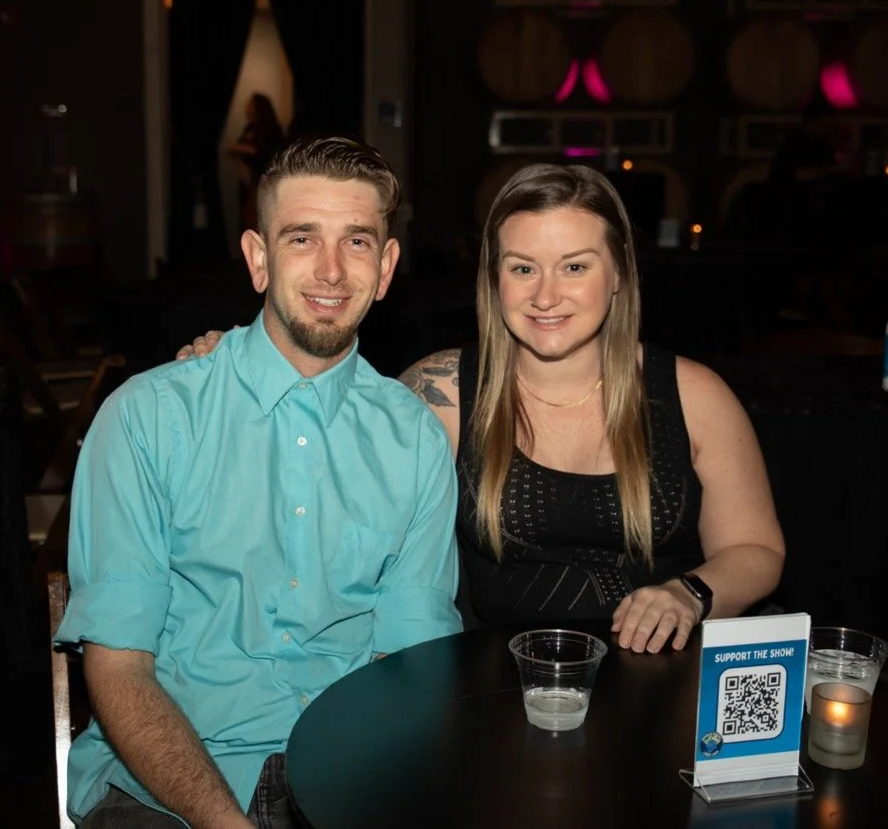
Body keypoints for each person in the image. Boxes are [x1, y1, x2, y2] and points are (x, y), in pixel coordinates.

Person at [179, 164, 785, 657]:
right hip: (501, 688)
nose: (546, 295)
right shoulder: (442, 393)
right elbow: (316, 456)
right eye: (522, 268)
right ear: (494, 279)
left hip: (666, 678)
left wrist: (689, 593)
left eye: (575, 266)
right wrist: (234, 365)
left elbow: (757, 549)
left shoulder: (693, 394)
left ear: (620, 272)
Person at [57, 135, 462, 828]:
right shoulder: (148, 418)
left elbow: (413, 661)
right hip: (165, 787)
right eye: (302, 238)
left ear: (386, 267)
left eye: (357, 241)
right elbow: (119, 670)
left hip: (348, 776)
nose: (331, 269)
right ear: (258, 258)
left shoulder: (414, 438)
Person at [226, 93, 286, 231]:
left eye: (250, 103)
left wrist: (246, 150)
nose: (246, 106)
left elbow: (268, 153)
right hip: (246, 181)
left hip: (259, 178)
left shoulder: (269, 129)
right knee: (246, 216)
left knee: (257, 217)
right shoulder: (249, 128)